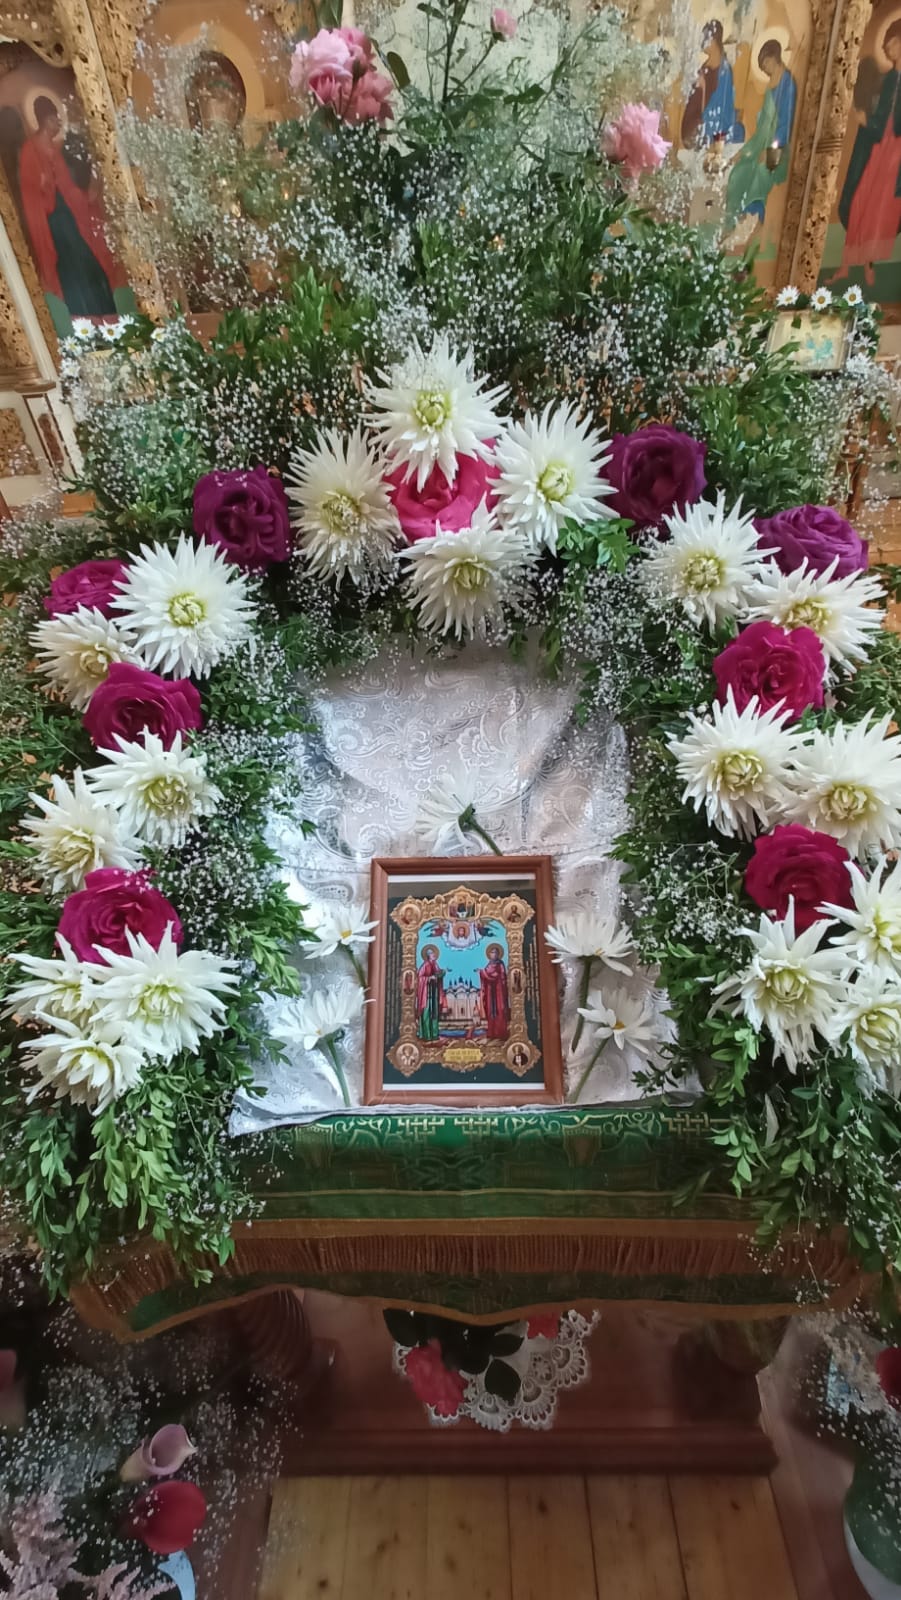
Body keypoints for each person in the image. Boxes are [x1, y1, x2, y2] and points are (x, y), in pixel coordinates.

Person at [18, 96, 125, 318]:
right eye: (54, 119)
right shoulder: (30, 150)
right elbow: (31, 191)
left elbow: (67, 186)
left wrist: (86, 195)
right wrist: (44, 184)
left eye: (59, 119)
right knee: (71, 263)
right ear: (45, 120)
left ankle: (105, 310)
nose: (58, 123)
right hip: (52, 220)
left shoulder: (54, 148)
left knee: (87, 259)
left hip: (68, 213)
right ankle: (82, 314)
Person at [837, 21, 901, 284]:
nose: (887, 47)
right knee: (860, 201)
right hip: (876, 149)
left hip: (894, 155)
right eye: (886, 43)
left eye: (893, 42)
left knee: (879, 210)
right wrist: (868, 122)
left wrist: (870, 122)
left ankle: (868, 265)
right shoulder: (888, 79)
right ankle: (845, 265)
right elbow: (881, 113)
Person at [725, 40, 797, 227]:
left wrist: (771, 149)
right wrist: (742, 153)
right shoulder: (770, 87)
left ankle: (756, 223)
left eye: (765, 64)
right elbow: (762, 130)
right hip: (761, 145)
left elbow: (785, 125)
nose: (764, 69)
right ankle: (735, 221)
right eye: (762, 67)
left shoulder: (788, 85)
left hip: (779, 148)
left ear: (774, 58)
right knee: (738, 173)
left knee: (761, 171)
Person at [682, 22, 738, 148]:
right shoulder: (705, 67)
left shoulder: (724, 71)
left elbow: (719, 108)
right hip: (699, 117)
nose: (703, 44)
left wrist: (703, 87)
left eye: (705, 39)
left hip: (714, 121)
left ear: (713, 41)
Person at [478, 944, 510, 1042]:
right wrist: (482, 972)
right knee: (490, 1011)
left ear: (498, 954)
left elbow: (496, 975)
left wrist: (483, 972)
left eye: (495, 952)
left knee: (499, 1010)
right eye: (492, 952)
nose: (493, 954)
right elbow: (488, 975)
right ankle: (491, 1033)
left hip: (498, 992)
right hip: (490, 993)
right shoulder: (489, 964)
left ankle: (500, 1033)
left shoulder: (500, 964)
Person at [415, 944, 445, 1042]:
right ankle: (427, 1035)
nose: (434, 955)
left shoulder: (435, 965)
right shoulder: (425, 965)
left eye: (434, 953)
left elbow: (438, 974)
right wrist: (428, 978)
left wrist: (442, 973)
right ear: (428, 956)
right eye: (432, 954)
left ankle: (435, 1035)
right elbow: (419, 978)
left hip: (434, 993)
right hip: (426, 994)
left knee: (434, 1014)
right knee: (427, 1014)